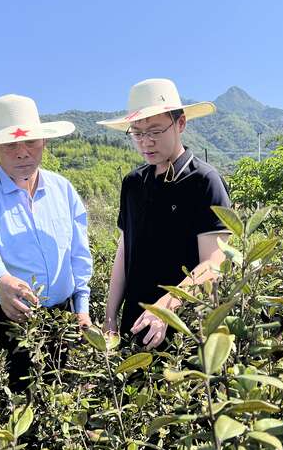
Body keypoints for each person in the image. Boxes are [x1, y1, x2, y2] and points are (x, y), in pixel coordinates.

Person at [0, 94, 92, 392]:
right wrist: (1, 281)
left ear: (43, 142)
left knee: (59, 399)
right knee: (8, 405)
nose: (22, 153)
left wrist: (82, 307)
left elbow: (79, 254)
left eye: (30, 142)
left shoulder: (63, 190)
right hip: (4, 317)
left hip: (62, 319)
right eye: (10, 144)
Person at [98, 78, 231, 349]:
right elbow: (124, 251)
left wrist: (167, 306)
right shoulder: (133, 183)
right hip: (135, 323)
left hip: (185, 328)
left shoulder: (204, 181)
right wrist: (110, 316)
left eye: (155, 131)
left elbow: (214, 263)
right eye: (137, 133)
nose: (146, 142)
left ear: (180, 123)